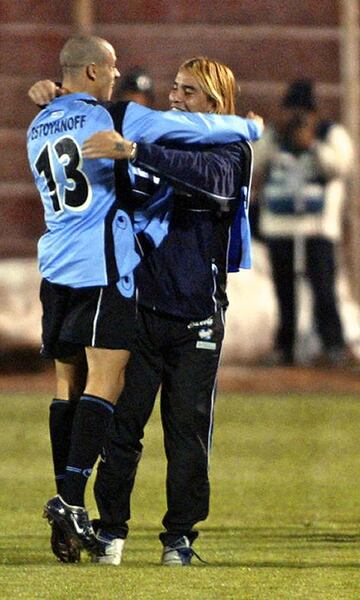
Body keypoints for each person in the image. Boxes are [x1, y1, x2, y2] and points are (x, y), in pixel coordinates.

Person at [28, 44, 263, 563]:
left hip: (197, 311)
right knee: (120, 432)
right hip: (137, 304)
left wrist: (134, 151)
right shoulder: (149, 133)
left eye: (189, 91)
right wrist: (57, 96)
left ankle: (179, 538)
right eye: (174, 87)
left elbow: (208, 181)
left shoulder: (228, 152)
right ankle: (110, 531)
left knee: (187, 438)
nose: (175, 98)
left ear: (216, 101)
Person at [253, 79, 355, 367]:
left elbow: (341, 167)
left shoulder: (329, 134)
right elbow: (254, 162)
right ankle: (284, 345)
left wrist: (313, 145)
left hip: (317, 227)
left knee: (324, 288)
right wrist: (275, 138)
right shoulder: (273, 135)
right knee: (284, 291)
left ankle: (332, 344)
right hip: (280, 226)